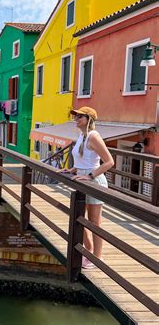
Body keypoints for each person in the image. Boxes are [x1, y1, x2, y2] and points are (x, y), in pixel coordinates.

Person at [59, 107, 114, 269]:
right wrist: (73, 169)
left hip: (94, 182)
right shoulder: (82, 136)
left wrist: (89, 176)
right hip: (81, 179)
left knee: (94, 222)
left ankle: (97, 257)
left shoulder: (94, 136)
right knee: (80, 217)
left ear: (89, 118)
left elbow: (109, 162)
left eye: (79, 116)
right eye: (75, 116)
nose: (76, 118)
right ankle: (88, 249)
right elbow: (84, 160)